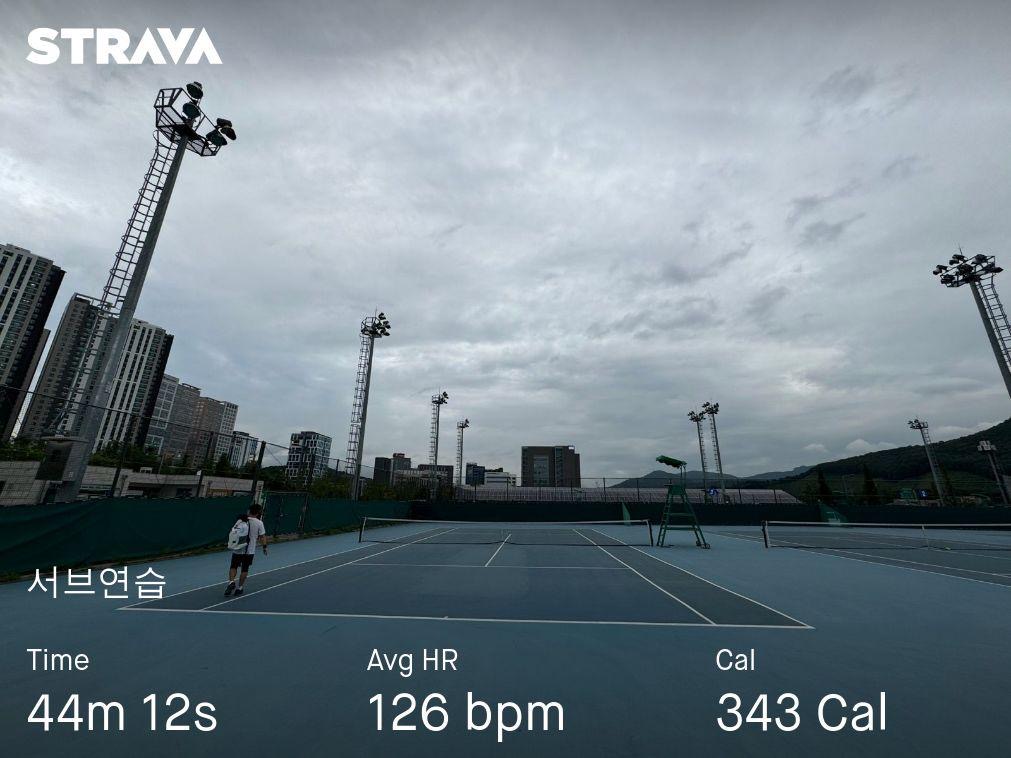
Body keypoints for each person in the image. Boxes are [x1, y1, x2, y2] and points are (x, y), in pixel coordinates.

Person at [225, 504, 268, 596]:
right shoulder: (259, 523)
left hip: (238, 549)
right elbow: (262, 536)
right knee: (245, 569)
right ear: (258, 513)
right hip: (249, 551)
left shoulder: (240, 521)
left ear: (249, 511)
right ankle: (240, 588)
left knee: (233, 566)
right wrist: (264, 547)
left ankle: (231, 582)